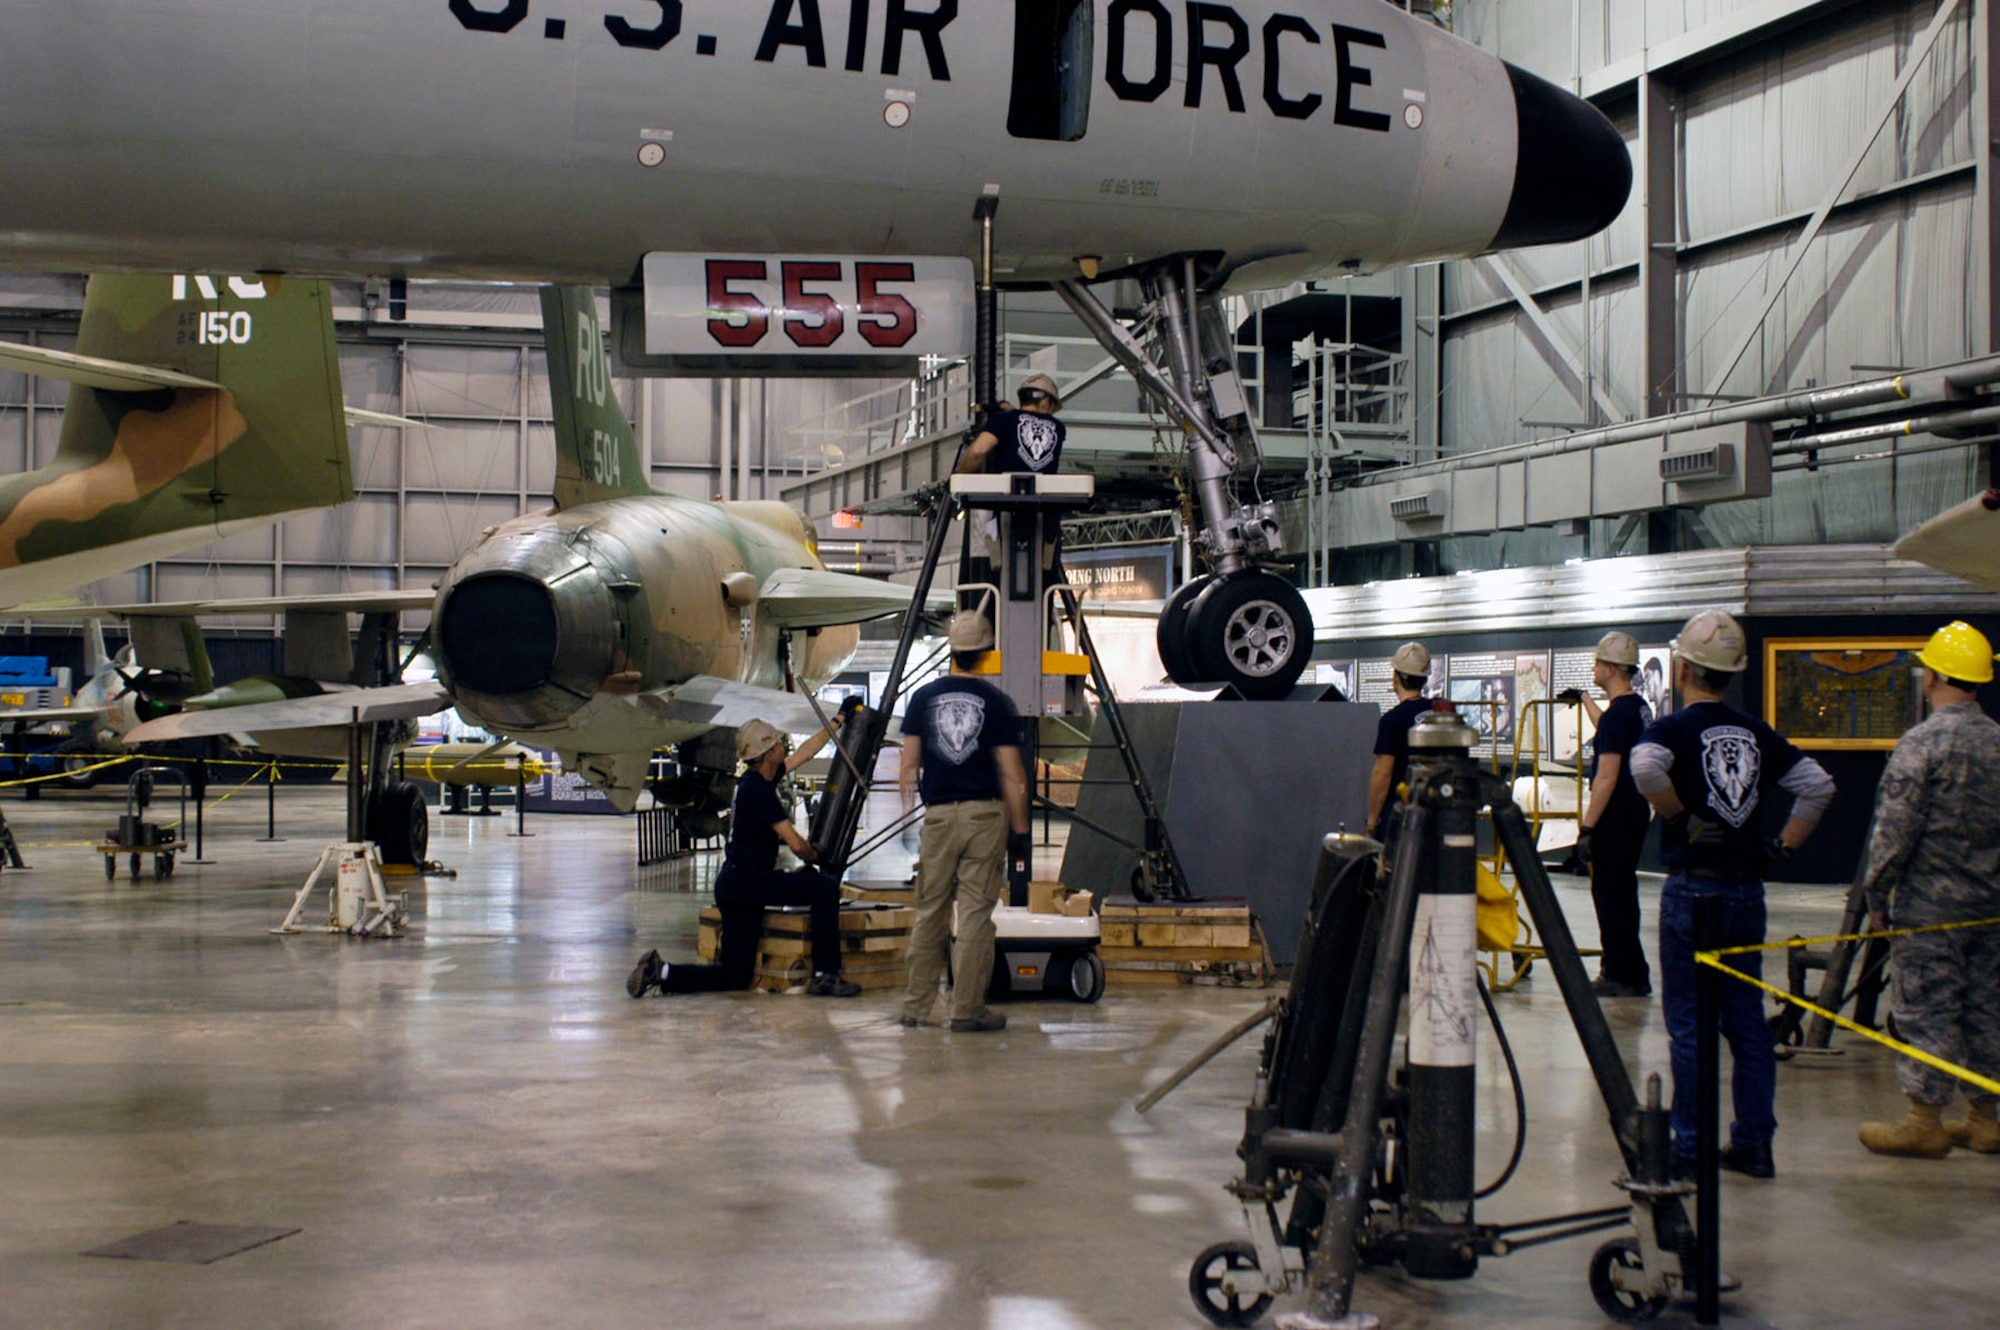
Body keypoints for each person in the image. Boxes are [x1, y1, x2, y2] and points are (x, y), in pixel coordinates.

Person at [1629, 610, 1834, 1180]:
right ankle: (1754, 1142)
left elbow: (1644, 768)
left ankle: (1691, 1146)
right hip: (1746, 893)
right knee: (1745, 1022)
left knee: (1690, 1026)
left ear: (1687, 667)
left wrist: (1680, 816)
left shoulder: (1672, 730)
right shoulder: (1754, 733)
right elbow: (1818, 785)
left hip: (1693, 892)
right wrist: (1784, 848)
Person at [1856, 621, 2000, 1157]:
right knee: (1987, 1008)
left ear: (1934, 675)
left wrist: (1877, 893)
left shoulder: (1922, 745)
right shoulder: (1998, 742)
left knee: (1928, 1007)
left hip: (1931, 909)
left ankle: (1924, 1120)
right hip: (1990, 909)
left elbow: (1896, 830)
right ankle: (1986, 1119)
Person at [627, 703, 863, 1000]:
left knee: (736, 974)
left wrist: (838, 721)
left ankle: (662, 973)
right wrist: (816, 857)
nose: (781, 748)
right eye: (777, 744)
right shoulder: (760, 791)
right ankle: (825, 975)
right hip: (751, 882)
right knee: (824, 889)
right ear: (767, 754)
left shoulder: (757, 779)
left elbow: (805, 753)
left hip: (735, 883)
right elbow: (796, 843)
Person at [899, 612, 1031, 1032]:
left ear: (952, 650)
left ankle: (916, 1008)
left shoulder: (922, 699)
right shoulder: (997, 704)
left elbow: (907, 767)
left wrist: (909, 818)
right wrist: (1021, 830)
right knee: (974, 914)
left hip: (938, 816)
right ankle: (966, 1011)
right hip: (983, 815)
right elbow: (1013, 776)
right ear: (987, 653)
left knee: (929, 911)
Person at [1566, 631, 1655, 998]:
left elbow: (1606, 777)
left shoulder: (1620, 716)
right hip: (1634, 811)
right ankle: (1632, 971)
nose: (1593, 667)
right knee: (1623, 892)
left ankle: (1620, 974)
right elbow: (1610, 727)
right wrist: (1585, 699)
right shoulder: (1636, 708)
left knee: (1610, 896)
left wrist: (1587, 829)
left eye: (1598, 663)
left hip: (1614, 815)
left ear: (1610, 668)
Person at [1367, 641, 1434, 841]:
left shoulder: (1392, 720)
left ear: (1395, 677)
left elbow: (1383, 774)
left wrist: (1372, 821)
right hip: (1439, 812)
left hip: (1403, 815)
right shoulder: (1442, 712)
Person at [955, 372, 1066, 476]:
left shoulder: (1004, 418)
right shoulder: (1059, 427)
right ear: (1046, 401)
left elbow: (977, 451)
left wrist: (959, 477)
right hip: (1045, 495)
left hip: (1006, 495)